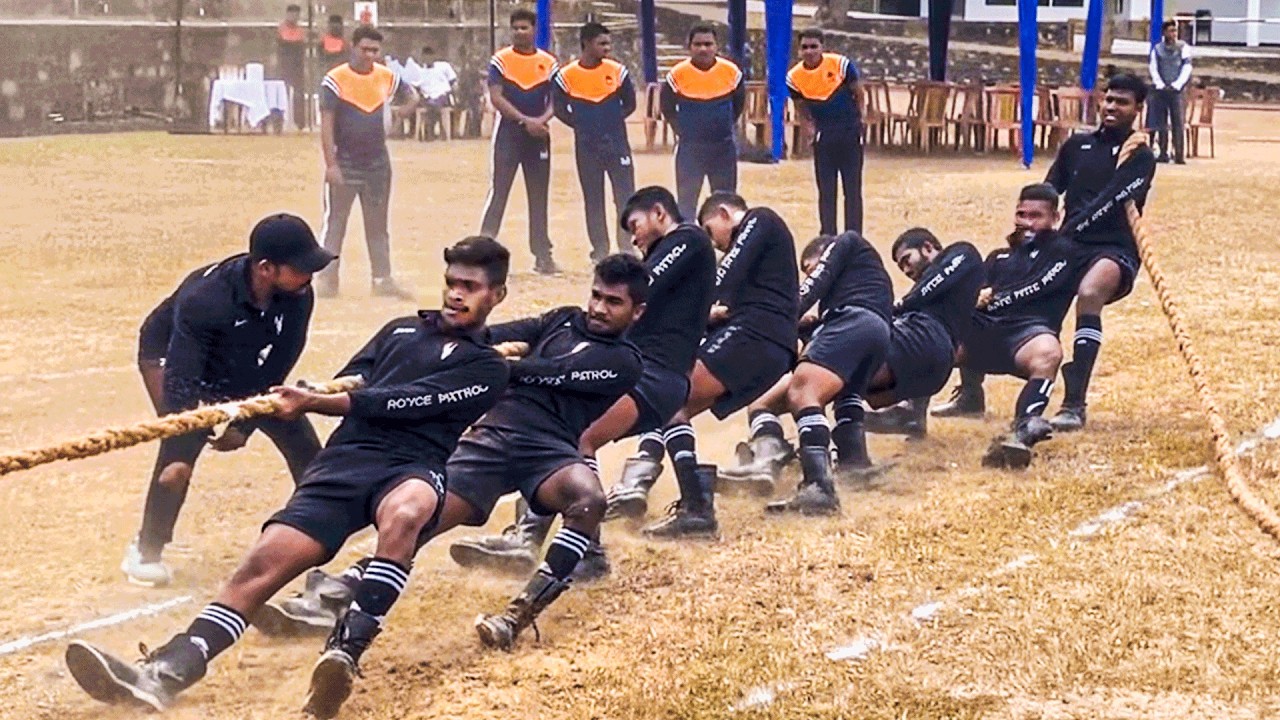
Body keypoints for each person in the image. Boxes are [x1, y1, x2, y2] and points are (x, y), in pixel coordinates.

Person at [65, 237, 512, 718]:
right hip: (343, 463)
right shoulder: (400, 331)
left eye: (470, 286)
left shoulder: (487, 367)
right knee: (256, 570)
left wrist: (319, 402)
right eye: (451, 283)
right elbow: (355, 377)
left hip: (412, 465)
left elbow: (404, 401)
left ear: (497, 295)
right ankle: (164, 673)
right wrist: (315, 390)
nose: (456, 294)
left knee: (407, 513)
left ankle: (345, 651)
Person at [247, 256, 648, 646]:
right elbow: (496, 333)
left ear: (637, 311)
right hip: (490, 439)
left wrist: (479, 368)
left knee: (589, 499)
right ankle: (330, 596)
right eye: (596, 295)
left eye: (613, 302)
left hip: (550, 452)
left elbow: (552, 373)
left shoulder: (625, 362)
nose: (598, 308)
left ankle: (516, 616)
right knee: (415, 523)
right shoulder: (561, 318)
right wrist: (453, 342)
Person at [447, 186, 716, 577]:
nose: (634, 236)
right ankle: (534, 538)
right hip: (653, 371)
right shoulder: (673, 256)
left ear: (659, 213)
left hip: (654, 372)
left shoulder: (686, 239)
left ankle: (580, 553)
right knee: (563, 431)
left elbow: (640, 284)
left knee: (577, 438)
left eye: (635, 225)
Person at [123, 214, 334, 587]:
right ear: (266, 268)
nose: (311, 275)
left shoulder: (299, 293)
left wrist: (243, 424)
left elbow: (282, 357)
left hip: (237, 361)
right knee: (177, 460)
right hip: (171, 356)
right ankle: (146, 550)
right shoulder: (206, 300)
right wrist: (188, 437)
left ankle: (320, 528)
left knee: (300, 438)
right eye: (302, 267)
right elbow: (183, 380)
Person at [640, 192, 798, 538]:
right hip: (765, 343)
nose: (715, 245)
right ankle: (661, 487)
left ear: (725, 214)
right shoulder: (760, 264)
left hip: (757, 334)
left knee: (670, 398)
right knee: (670, 409)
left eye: (711, 233)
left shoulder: (761, 218)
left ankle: (695, 508)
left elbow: (721, 280)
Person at [1041, 73, 1156, 432]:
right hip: (1068, 243)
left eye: (1121, 102)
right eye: (1108, 99)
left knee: (1089, 293)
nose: (1111, 107)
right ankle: (970, 391)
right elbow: (1048, 189)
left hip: (1114, 248)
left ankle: (1074, 404)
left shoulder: (1140, 156)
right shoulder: (1076, 146)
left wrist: (1070, 230)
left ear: (1138, 108)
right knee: (1005, 290)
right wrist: (1031, 226)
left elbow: (1112, 201)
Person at [944, 185, 1089, 468]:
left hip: (1027, 335)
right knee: (936, 333)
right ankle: (916, 411)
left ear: (1055, 218)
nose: (1027, 223)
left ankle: (1023, 427)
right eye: (1021, 214)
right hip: (984, 333)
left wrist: (993, 300)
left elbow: (1038, 287)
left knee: (1049, 353)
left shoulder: (1065, 252)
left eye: (1037, 216)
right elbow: (973, 294)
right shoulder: (998, 257)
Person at [758, 229, 892, 515]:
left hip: (852, 320)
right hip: (877, 334)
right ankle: (854, 462)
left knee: (803, 392)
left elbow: (815, 284)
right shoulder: (865, 277)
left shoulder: (846, 242)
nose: (809, 275)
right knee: (847, 393)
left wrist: (778, 316)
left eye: (810, 268)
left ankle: (819, 487)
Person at [316, 25, 417, 300]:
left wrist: (400, 113)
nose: (370, 55)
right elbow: (326, 125)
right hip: (345, 162)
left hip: (377, 163)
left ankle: (382, 279)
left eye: (375, 50)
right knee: (336, 222)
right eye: (365, 49)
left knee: (377, 224)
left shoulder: (386, 77)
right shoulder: (335, 80)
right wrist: (331, 164)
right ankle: (327, 279)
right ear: (353, 46)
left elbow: (412, 96)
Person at [861, 230, 983, 438]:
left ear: (927, 247)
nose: (906, 270)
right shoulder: (925, 294)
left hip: (954, 340)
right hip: (939, 343)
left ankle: (908, 413)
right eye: (901, 267)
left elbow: (929, 288)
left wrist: (899, 305)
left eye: (907, 260)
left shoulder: (962, 253)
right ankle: (912, 417)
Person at [479, 9, 559, 274]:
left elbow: (556, 100)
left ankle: (542, 254)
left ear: (534, 30)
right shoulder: (501, 60)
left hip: (539, 138)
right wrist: (527, 121)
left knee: (539, 196)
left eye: (524, 28)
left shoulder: (548, 63)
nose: (519, 32)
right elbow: (496, 97)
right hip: (509, 135)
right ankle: (483, 252)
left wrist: (542, 121)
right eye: (515, 28)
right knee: (499, 192)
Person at [552, 22, 638, 263]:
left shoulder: (618, 72)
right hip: (587, 147)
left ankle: (626, 246)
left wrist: (610, 122)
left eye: (608, 43)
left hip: (617, 144)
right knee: (593, 198)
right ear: (586, 44)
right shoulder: (566, 76)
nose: (607, 48)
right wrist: (582, 124)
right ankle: (600, 249)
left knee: (624, 197)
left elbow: (630, 103)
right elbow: (559, 109)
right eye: (602, 44)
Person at [662, 24, 746, 220]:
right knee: (686, 204)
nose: (703, 49)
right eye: (697, 44)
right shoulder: (677, 74)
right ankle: (690, 244)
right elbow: (667, 107)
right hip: (690, 149)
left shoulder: (731, 72)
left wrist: (724, 124)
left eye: (708, 44)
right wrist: (681, 130)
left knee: (725, 203)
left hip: (723, 148)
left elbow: (738, 104)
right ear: (689, 47)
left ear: (717, 46)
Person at [787, 28, 865, 235]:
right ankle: (828, 235)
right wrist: (809, 128)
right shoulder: (794, 78)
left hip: (849, 131)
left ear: (822, 47)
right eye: (805, 47)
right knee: (826, 191)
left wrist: (860, 120)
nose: (810, 51)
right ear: (799, 50)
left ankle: (853, 235)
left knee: (853, 190)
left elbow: (858, 92)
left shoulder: (841, 65)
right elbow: (800, 106)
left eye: (814, 46)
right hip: (824, 135)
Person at [1148, 21, 1192, 165]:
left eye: (1175, 31)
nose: (1173, 34)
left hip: (1177, 91)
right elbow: (1153, 68)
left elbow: (1187, 67)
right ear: (1164, 32)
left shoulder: (1183, 48)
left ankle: (1179, 154)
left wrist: (1177, 84)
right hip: (1161, 90)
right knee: (1161, 123)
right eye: (1170, 31)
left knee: (1178, 122)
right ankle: (1163, 153)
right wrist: (1160, 83)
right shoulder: (1157, 49)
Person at [414, 45, 457, 140]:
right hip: (427, 97)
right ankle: (432, 131)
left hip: (442, 95)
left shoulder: (444, 66)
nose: (427, 59)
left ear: (434, 56)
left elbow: (453, 81)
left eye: (429, 56)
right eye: (425, 57)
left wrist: (455, 96)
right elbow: (416, 87)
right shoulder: (420, 71)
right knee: (429, 104)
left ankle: (430, 131)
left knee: (434, 104)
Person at [277, 4, 307, 131]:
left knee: (299, 94)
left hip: (297, 65)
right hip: (284, 65)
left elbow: (302, 48)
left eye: (296, 14)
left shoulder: (300, 31)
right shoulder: (281, 29)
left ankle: (300, 123)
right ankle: (279, 122)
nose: (294, 17)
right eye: (292, 14)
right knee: (281, 93)